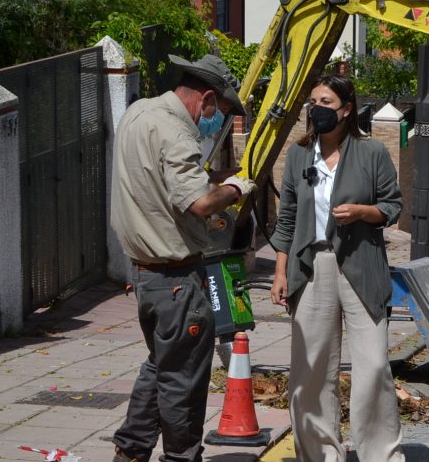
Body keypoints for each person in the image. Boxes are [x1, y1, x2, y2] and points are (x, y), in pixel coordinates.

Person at [109, 53, 256, 462]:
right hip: (177, 281)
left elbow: (159, 183)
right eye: (220, 112)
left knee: (158, 368)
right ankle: (181, 456)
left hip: (146, 277)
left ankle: (131, 451)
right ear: (206, 99)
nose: (216, 121)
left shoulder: (139, 112)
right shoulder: (176, 132)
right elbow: (201, 204)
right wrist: (236, 188)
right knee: (183, 382)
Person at [268, 74, 404, 462]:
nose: (317, 109)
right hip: (312, 265)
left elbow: (392, 206)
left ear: (346, 109)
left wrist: (364, 212)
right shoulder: (298, 155)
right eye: (313, 101)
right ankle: (321, 454)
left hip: (362, 262)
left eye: (326, 102)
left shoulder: (372, 151)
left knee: (374, 364)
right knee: (311, 371)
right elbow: (288, 218)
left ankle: (381, 454)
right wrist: (281, 271)